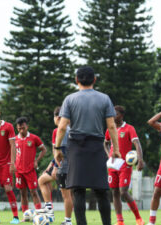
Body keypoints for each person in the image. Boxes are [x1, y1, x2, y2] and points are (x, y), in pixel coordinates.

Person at [54, 66, 121, 225]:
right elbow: (111, 126)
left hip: (76, 148)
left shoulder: (69, 99)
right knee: (101, 191)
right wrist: (116, 149)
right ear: (94, 80)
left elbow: (62, 127)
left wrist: (57, 148)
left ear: (76, 80)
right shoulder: (104, 99)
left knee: (78, 191)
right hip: (97, 147)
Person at [104, 106, 144, 225]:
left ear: (121, 115)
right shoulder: (110, 129)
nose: (112, 116)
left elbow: (137, 144)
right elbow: (105, 143)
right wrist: (108, 155)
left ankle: (138, 218)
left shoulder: (129, 128)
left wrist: (140, 160)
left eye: (115, 114)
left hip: (124, 164)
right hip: (112, 165)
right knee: (114, 192)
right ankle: (120, 221)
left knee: (123, 192)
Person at [14, 117, 47, 215]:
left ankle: (39, 214)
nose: (21, 130)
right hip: (18, 171)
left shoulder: (34, 138)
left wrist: (36, 160)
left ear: (27, 127)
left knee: (33, 192)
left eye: (23, 128)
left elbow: (44, 149)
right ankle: (25, 215)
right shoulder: (15, 139)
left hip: (30, 170)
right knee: (23, 193)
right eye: (19, 128)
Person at [51, 106, 73, 225]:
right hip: (73, 165)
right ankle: (69, 219)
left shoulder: (62, 130)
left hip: (64, 166)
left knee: (66, 195)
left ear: (57, 117)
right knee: (71, 194)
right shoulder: (71, 130)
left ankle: (67, 221)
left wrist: (55, 167)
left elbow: (60, 151)